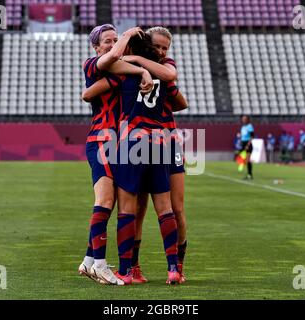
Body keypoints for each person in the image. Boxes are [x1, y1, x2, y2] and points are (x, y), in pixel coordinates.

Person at [83, 33, 184, 285]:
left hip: (131, 143)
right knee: (166, 209)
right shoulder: (163, 72)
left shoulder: (122, 74)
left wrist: (135, 68)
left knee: (126, 211)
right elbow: (181, 100)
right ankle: (173, 269)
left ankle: (127, 271)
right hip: (160, 143)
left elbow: (88, 94)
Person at [78, 24, 155, 286]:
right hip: (101, 139)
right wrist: (127, 37)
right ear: (96, 48)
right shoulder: (92, 64)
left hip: (115, 142)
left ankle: (90, 260)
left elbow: (114, 69)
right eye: (107, 41)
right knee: (105, 200)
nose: (112, 45)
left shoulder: (118, 74)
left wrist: (142, 70)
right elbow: (111, 61)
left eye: (115, 39)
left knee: (107, 203)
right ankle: (100, 265)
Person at [122, 27, 188, 284]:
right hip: (147, 142)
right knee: (139, 208)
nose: (162, 52)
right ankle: (135, 267)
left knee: (177, 208)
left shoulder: (164, 67)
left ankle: (178, 266)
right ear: (148, 45)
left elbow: (179, 97)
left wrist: (140, 63)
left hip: (169, 143)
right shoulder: (141, 71)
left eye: (165, 48)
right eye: (158, 47)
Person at [240, 115, 254, 179]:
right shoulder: (243, 127)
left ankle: (249, 175)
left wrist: (248, 145)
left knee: (248, 160)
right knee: (245, 160)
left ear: (248, 120)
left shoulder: (249, 127)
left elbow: (252, 136)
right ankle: (249, 174)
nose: (243, 120)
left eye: (245, 119)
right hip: (243, 144)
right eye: (243, 119)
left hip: (247, 144)